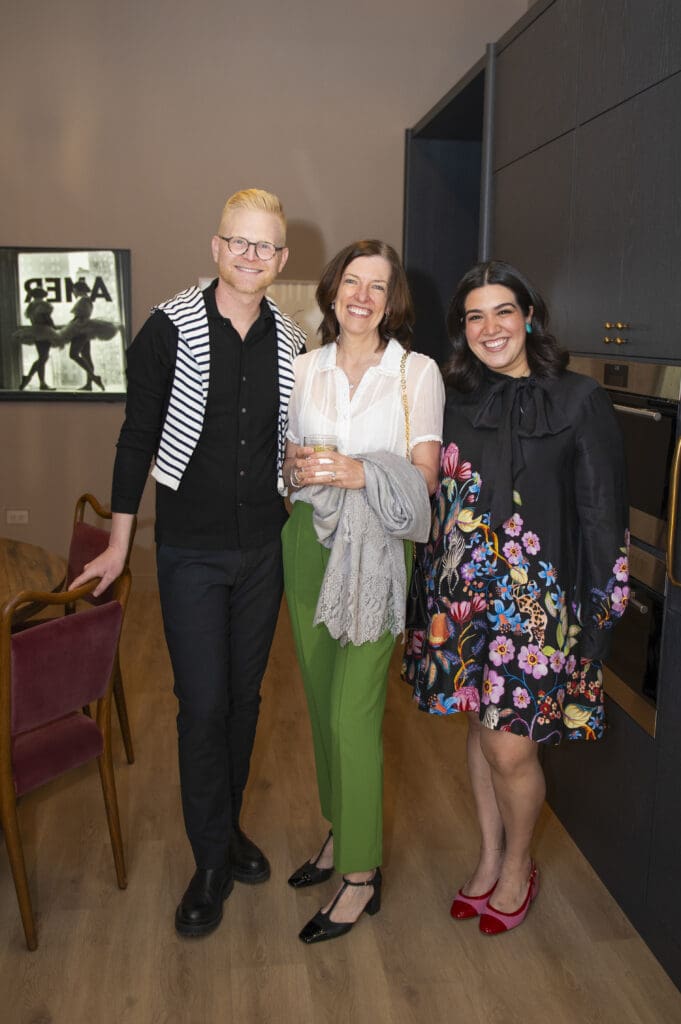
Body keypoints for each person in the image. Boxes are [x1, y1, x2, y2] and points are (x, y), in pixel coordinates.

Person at [71, 188, 306, 937]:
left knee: (245, 704)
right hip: (191, 553)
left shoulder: (293, 343)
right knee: (203, 707)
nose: (248, 255)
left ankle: (227, 827)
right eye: (237, 241)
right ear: (215, 247)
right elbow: (136, 438)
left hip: (263, 550)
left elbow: (297, 447)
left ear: (281, 260)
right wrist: (116, 543)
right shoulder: (168, 330)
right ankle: (209, 860)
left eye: (263, 245)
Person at [403, 259, 629, 934]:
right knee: (478, 725)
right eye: (474, 316)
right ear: (460, 330)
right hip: (461, 601)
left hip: (538, 612)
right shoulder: (450, 397)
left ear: (528, 317)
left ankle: (516, 866)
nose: (489, 327)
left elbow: (600, 514)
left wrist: (597, 619)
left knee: (510, 748)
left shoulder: (579, 400)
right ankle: (488, 852)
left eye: (503, 311)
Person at [282, 239, 445, 944]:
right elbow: (284, 472)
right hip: (306, 545)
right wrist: (292, 469)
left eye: (378, 287)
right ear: (332, 289)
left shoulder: (416, 373)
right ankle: (337, 831)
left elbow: (425, 484)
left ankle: (358, 873)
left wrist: (358, 474)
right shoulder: (303, 368)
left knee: (354, 712)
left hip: (376, 551)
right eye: (353, 281)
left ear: (391, 300)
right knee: (320, 705)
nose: (362, 296)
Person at [15, 285, 59, 391]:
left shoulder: (31, 306)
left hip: (36, 331)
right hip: (45, 331)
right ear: (42, 295)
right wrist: (54, 329)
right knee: (43, 357)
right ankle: (39, 382)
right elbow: (47, 319)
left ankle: (32, 380)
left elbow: (34, 320)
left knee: (42, 357)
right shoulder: (43, 305)